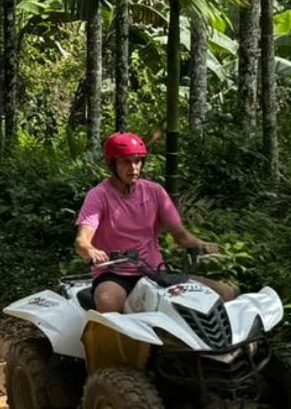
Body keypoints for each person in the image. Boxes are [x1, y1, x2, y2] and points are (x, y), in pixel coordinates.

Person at [74, 132, 237, 313]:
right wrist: (91, 251)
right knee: (107, 301)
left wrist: (203, 245)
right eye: (125, 162)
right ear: (112, 164)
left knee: (225, 292)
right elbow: (82, 241)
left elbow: (181, 236)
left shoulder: (154, 191)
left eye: (138, 161)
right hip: (114, 275)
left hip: (154, 273)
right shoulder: (98, 195)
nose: (133, 167)